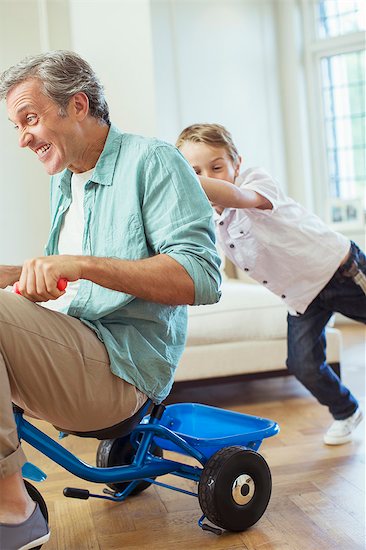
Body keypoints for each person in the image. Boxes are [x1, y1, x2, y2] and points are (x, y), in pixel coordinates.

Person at [0, 52, 221, 550]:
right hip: (75, 346)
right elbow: (71, 281)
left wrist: (79, 263)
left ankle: (15, 511)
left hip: (120, 372)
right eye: (16, 126)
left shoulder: (153, 160)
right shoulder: (66, 180)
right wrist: (16, 274)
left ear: (77, 104)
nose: (22, 138)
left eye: (29, 119)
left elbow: (202, 277)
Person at [176, 122, 365, 445]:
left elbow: (239, 197)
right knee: (302, 364)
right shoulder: (213, 221)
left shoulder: (255, 181)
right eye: (194, 172)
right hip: (301, 297)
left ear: (237, 163)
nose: (206, 176)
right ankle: (346, 410)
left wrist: (187, 181)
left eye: (217, 167)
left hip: (338, 269)